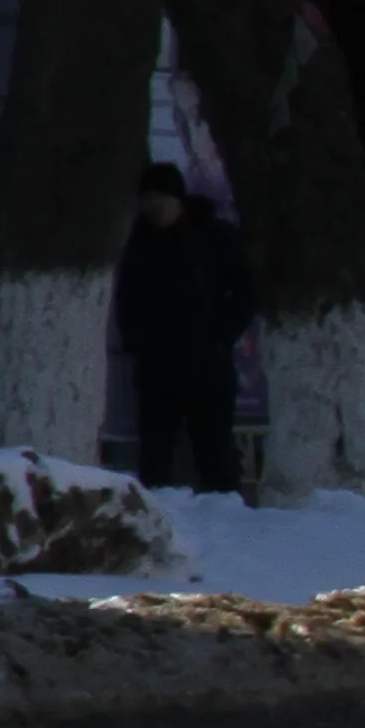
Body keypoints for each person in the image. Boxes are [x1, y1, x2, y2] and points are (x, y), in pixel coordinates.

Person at [113, 160, 256, 493]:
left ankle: (225, 520)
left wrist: (221, 335)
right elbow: (127, 299)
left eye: (161, 198)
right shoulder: (139, 243)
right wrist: (138, 344)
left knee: (215, 453)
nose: (154, 206)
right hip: (157, 369)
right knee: (155, 457)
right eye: (147, 198)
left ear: (178, 199)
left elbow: (244, 290)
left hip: (208, 365)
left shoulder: (213, 236)